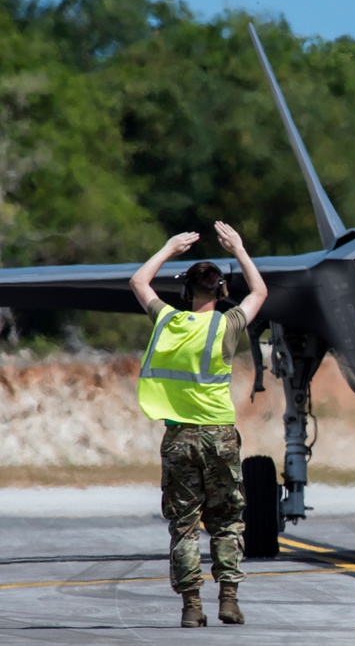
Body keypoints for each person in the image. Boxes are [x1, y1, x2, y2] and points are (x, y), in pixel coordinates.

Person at [129, 221, 267, 628]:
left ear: (187, 292)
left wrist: (168, 249)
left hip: (179, 438)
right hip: (220, 436)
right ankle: (228, 600)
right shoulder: (227, 325)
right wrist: (239, 248)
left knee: (184, 525)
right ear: (222, 292)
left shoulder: (168, 322)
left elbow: (138, 281)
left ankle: (191, 606)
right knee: (226, 520)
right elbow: (260, 292)